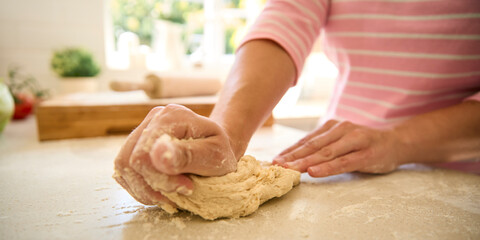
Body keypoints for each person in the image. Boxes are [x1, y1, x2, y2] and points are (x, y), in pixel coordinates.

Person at [114, 0, 480, 205]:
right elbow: (285, 19)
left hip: (460, 186)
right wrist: (226, 131)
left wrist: (399, 142)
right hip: (333, 166)